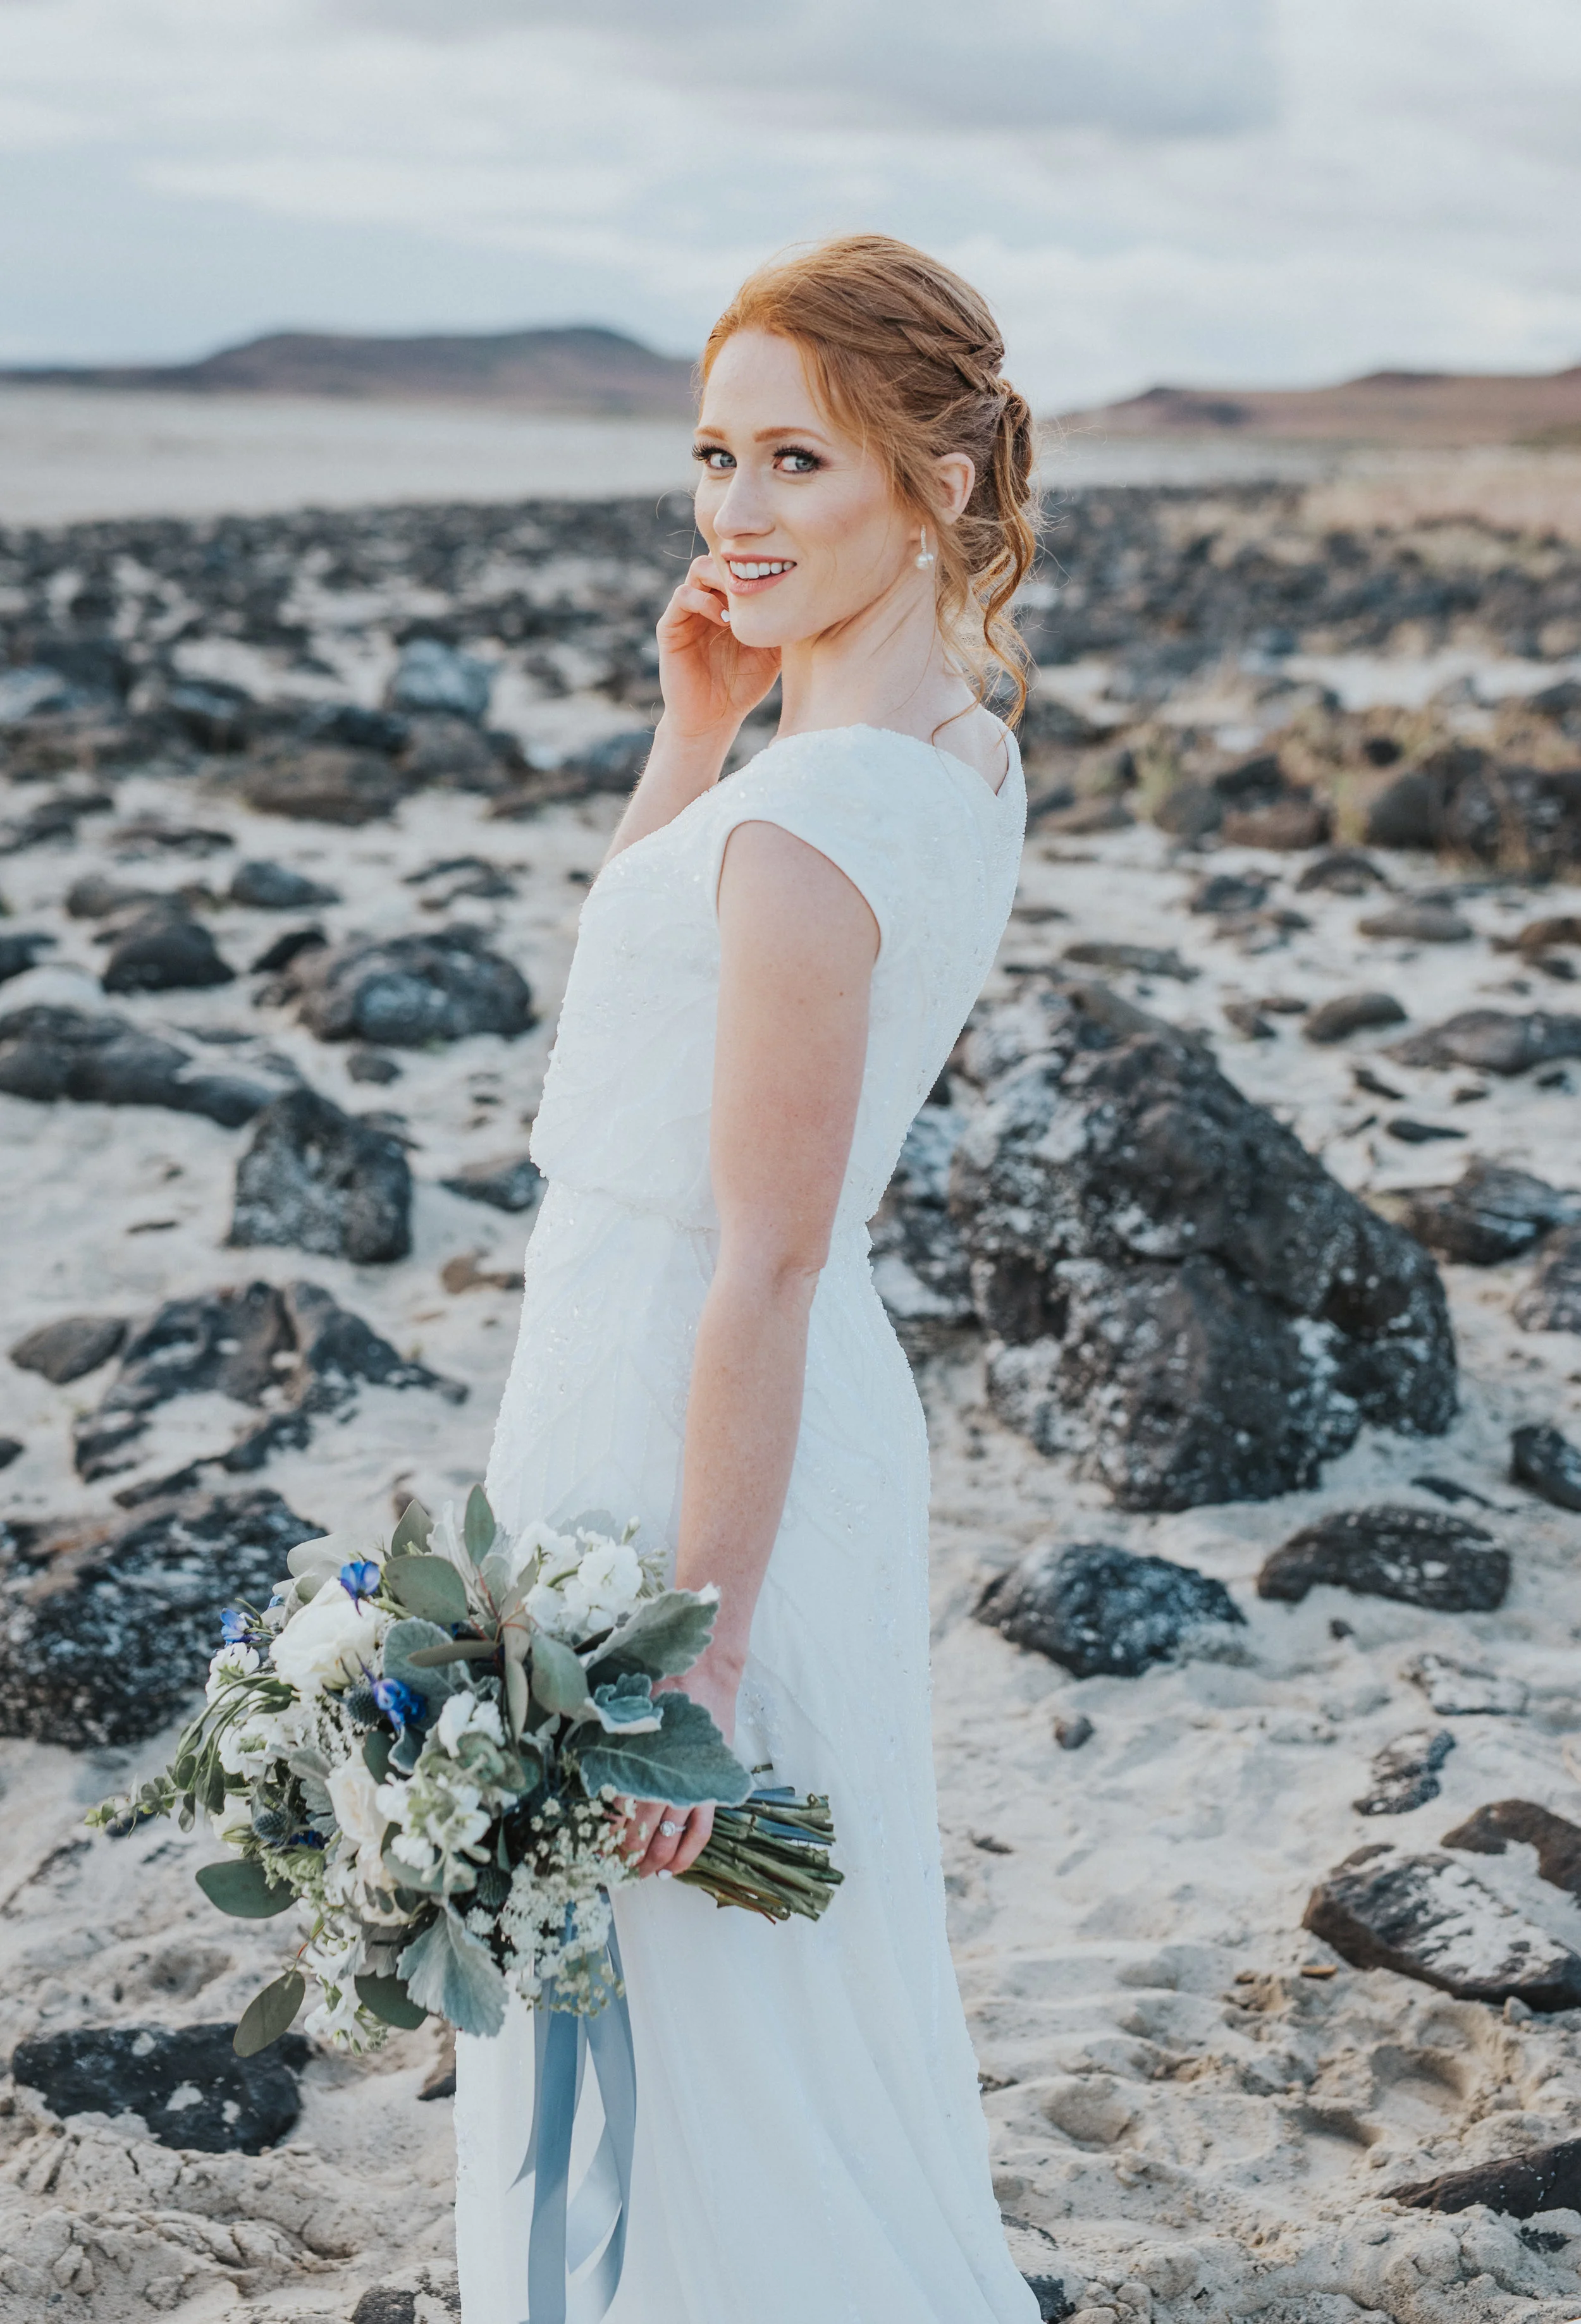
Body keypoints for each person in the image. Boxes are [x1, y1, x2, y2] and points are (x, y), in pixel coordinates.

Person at [455, 232, 1040, 2324]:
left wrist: (691, 1653)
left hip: (684, 1394)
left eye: (798, 460)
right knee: (746, 1978)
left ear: (937, 482)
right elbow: (656, 1009)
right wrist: (693, 731)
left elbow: (762, 1256)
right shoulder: (953, 757)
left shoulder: (812, 832)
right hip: (743, 1368)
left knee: (669, 1962)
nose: (735, 510)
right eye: (715, 453)